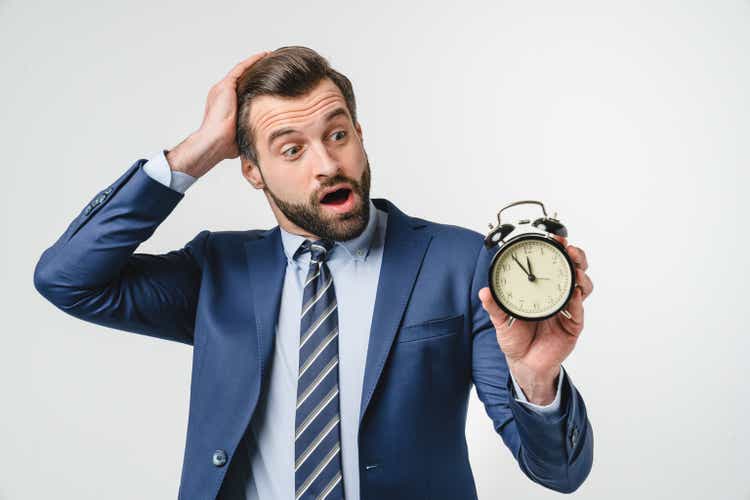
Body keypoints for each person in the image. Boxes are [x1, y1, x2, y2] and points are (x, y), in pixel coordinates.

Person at [33, 46, 594, 499]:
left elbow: (559, 473)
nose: (327, 164)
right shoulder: (218, 271)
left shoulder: (459, 262)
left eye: (337, 134)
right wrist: (199, 150)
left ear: (359, 135)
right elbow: (67, 279)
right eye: (291, 148)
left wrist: (537, 379)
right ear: (251, 170)